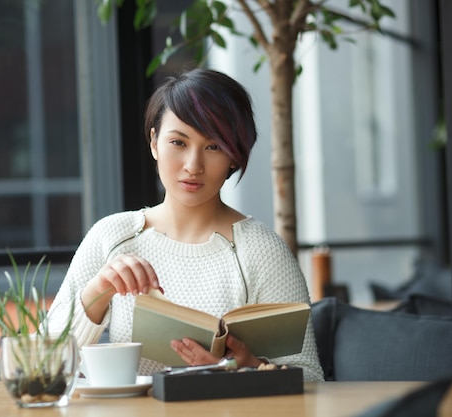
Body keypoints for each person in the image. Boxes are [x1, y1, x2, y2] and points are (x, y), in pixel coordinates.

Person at [46, 68, 324, 382]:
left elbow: (312, 380)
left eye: (214, 147)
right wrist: (97, 291)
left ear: (234, 157)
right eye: (179, 142)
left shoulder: (262, 250)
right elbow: (44, 365)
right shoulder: (112, 236)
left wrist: (246, 367)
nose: (193, 166)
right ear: (154, 142)